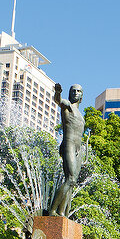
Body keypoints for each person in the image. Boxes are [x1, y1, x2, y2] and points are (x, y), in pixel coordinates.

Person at [48, 83, 86, 217]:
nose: (76, 93)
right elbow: (58, 101)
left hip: (78, 150)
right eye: (73, 91)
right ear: (70, 93)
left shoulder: (81, 115)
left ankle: (62, 212)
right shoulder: (67, 106)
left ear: (82, 95)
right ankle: (52, 210)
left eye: (79, 91)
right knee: (70, 179)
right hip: (68, 145)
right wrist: (58, 92)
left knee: (72, 182)